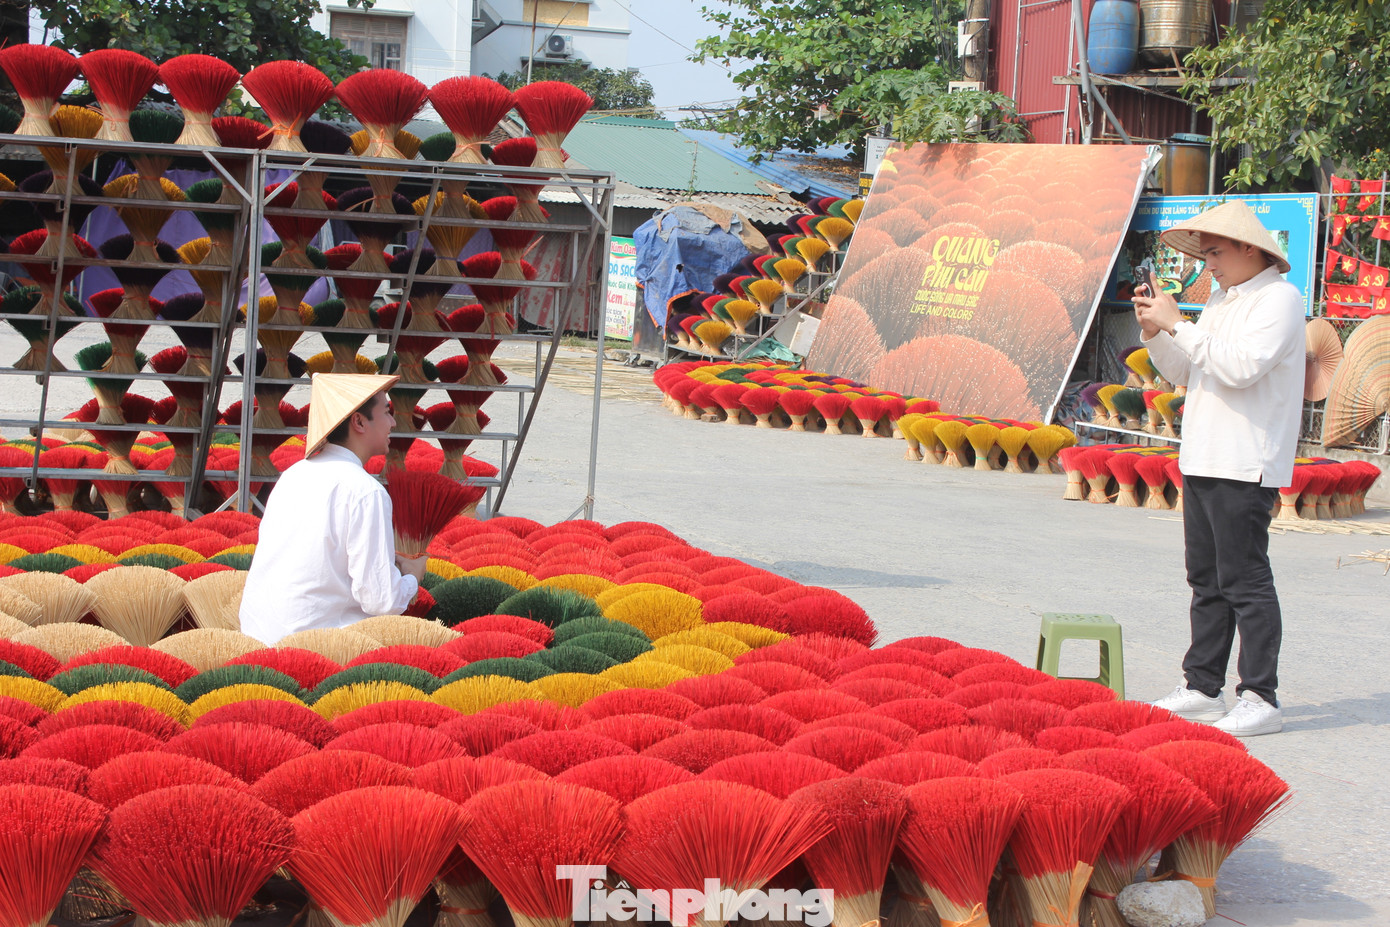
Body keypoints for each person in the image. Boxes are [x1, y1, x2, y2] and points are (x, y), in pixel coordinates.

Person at [1132, 200, 1304, 737]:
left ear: (1250, 248)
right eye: (1205, 255)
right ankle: (1203, 686)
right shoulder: (1226, 300)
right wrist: (1157, 331)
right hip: (1205, 454)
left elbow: (1239, 367)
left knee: (1245, 581)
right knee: (1205, 580)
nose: (1209, 264)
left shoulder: (1279, 299)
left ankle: (1260, 695)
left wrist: (1178, 324)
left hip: (1245, 459)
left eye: (1216, 253)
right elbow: (1187, 367)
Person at [240, 373, 429, 645]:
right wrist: (412, 576)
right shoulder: (366, 492)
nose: (393, 422)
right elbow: (381, 601)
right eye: (387, 413)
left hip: (257, 635)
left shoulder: (293, 474)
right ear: (359, 421)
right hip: (315, 646)